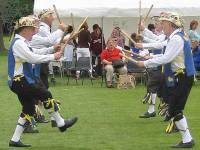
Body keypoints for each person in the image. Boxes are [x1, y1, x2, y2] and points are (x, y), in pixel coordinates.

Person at [8, 16, 78, 147]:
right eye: (32, 30)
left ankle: (15, 140)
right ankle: (61, 123)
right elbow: (32, 58)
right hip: (20, 81)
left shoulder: (21, 42)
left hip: (19, 82)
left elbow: (35, 51)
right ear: (25, 30)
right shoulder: (18, 43)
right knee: (46, 95)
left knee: (28, 108)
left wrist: (52, 49)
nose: (35, 32)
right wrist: (53, 56)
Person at [136, 12, 195, 148]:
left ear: (170, 24)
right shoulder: (176, 37)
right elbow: (167, 53)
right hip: (182, 76)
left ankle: (188, 140)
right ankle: (187, 140)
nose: (161, 26)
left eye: (163, 23)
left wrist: (145, 63)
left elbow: (167, 58)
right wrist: (151, 57)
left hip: (183, 77)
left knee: (174, 109)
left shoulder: (176, 39)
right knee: (174, 109)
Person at [31, 9, 66, 127]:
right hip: (36, 65)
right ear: (46, 17)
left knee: (43, 91)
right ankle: (52, 119)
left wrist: (64, 37)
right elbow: (50, 41)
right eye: (52, 15)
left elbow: (48, 44)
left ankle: (52, 118)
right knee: (42, 92)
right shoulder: (41, 28)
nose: (54, 17)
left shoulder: (40, 30)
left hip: (40, 63)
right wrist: (60, 31)